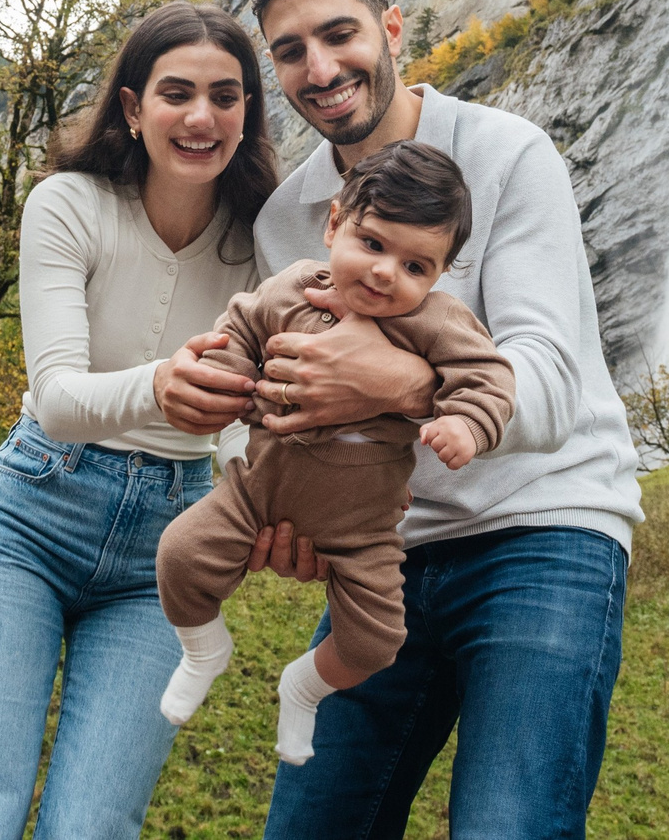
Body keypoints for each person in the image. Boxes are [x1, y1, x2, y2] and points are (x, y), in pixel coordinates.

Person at [157, 0, 644, 839]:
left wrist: (407, 385)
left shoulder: (507, 154)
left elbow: (552, 379)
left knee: (509, 822)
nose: (321, 67)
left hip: (546, 533)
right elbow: (284, 398)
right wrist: (273, 498)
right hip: (384, 549)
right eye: (291, 50)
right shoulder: (287, 219)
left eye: (339, 34)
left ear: (390, 28)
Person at [0, 1, 280, 840]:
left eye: (227, 94)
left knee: (92, 826)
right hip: (30, 515)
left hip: (167, 551)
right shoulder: (69, 204)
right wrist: (166, 385)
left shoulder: (264, 239)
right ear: (134, 109)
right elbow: (61, 396)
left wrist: (252, 502)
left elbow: (264, 411)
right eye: (176, 92)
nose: (202, 115)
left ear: (248, 113)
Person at [153, 141, 514, 765]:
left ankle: (305, 687)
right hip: (255, 491)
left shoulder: (435, 323)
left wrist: (466, 425)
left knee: (376, 641)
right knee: (179, 557)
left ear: (440, 274)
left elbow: (489, 378)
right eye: (372, 245)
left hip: (363, 526)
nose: (384, 274)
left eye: (415, 267)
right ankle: (203, 647)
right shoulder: (293, 287)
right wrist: (229, 377)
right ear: (334, 224)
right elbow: (240, 326)